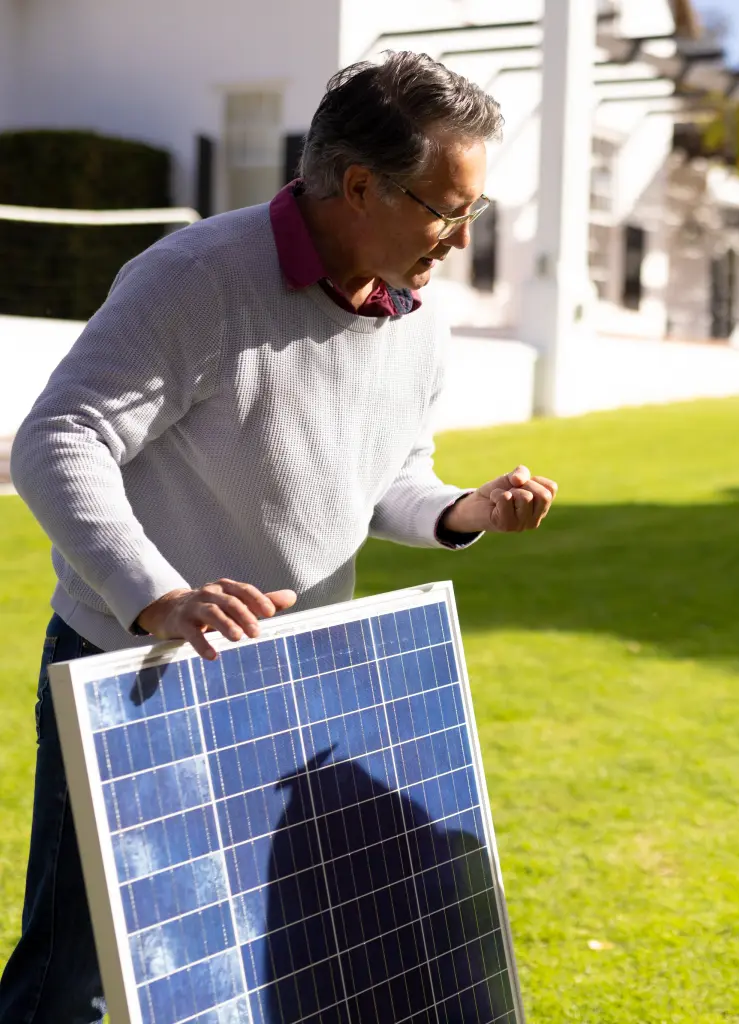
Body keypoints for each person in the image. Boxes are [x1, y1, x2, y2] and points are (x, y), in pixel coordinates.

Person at [2, 52, 557, 1024]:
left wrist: (463, 509)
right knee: (74, 978)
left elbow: (386, 474)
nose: (461, 239)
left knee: (229, 964)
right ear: (356, 185)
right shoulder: (193, 278)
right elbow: (57, 440)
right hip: (132, 673)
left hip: (287, 682)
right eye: (445, 207)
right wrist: (160, 596)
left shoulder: (415, 315)